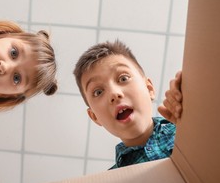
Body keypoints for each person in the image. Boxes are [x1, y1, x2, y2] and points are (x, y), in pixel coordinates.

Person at [0, 0, 58, 183]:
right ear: (1, 35)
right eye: (14, 53)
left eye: (16, 78)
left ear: (6, 95)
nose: (4, 66)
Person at [73, 40, 181, 169]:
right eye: (98, 92)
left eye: (123, 78)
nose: (114, 93)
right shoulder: (111, 182)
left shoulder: (186, 128)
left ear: (149, 89)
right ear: (94, 117)